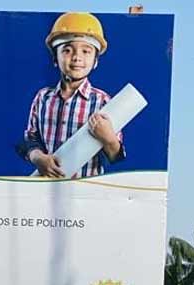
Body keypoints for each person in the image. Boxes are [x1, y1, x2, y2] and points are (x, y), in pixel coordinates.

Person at [19, 12, 126, 179]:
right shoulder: (43, 98)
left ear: (96, 61)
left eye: (86, 51)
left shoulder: (102, 101)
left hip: (85, 195)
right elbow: (31, 139)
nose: (77, 57)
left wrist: (108, 138)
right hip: (45, 190)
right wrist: (38, 158)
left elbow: (115, 156)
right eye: (67, 50)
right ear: (55, 58)